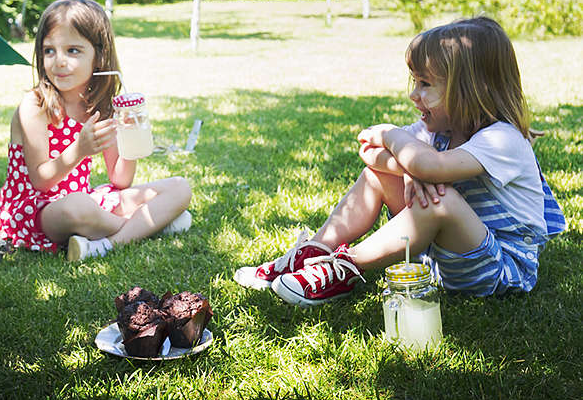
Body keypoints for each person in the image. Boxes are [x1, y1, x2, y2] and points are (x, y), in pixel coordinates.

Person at [234, 16, 565, 305]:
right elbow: (369, 151)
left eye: (425, 84)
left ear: (468, 90)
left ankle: (346, 267)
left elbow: (429, 167)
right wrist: (408, 170)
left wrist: (392, 135)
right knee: (378, 176)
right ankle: (316, 251)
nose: (413, 94)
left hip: (499, 269)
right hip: (445, 259)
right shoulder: (438, 131)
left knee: (441, 201)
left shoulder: (503, 139)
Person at [0, 0, 192, 262]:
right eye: (49, 50)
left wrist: (131, 140)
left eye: (73, 50)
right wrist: (79, 150)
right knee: (77, 206)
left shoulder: (98, 105)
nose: (59, 61)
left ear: (99, 56)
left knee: (179, 187)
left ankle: (106, 244)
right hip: (37, 211)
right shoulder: (36, 104)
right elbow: (41, 180)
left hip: (87, 201)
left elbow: (120, 180)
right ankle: (152, 224)